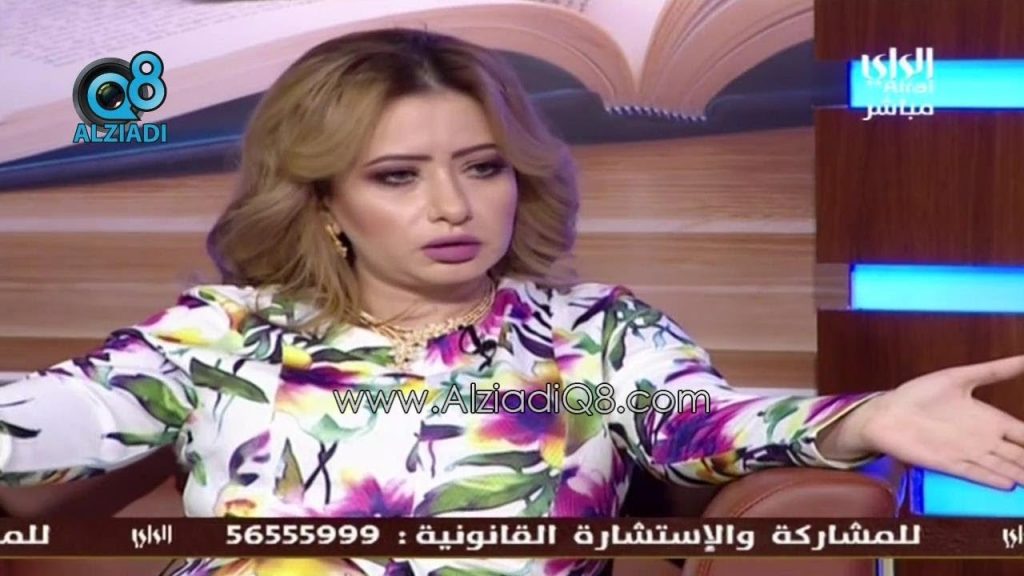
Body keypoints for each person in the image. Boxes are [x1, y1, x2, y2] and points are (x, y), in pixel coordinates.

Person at [2, 27, 1024, 576]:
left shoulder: (592, 331)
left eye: (482, 166)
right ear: (322, 200)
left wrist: (866, 419)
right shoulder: (222, 330)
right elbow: (54, 419)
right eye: (397, 176)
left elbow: (702, 426)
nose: (453, 206)